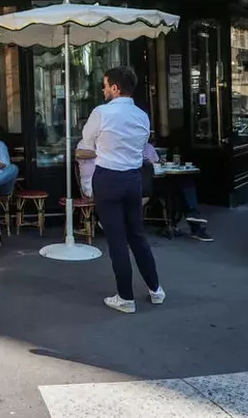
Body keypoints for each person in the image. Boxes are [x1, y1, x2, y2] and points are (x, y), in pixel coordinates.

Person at [81, 66, 164, 314]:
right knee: (137, 235)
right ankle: (156, 289)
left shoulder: (101, 112)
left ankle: (126, 298)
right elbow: (142, 146)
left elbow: (87, 142)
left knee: (117, 239)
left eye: (106, 85)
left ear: (115, 88)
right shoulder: (142, 115)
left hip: (108, 177)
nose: (103, 89)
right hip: (133, 178)